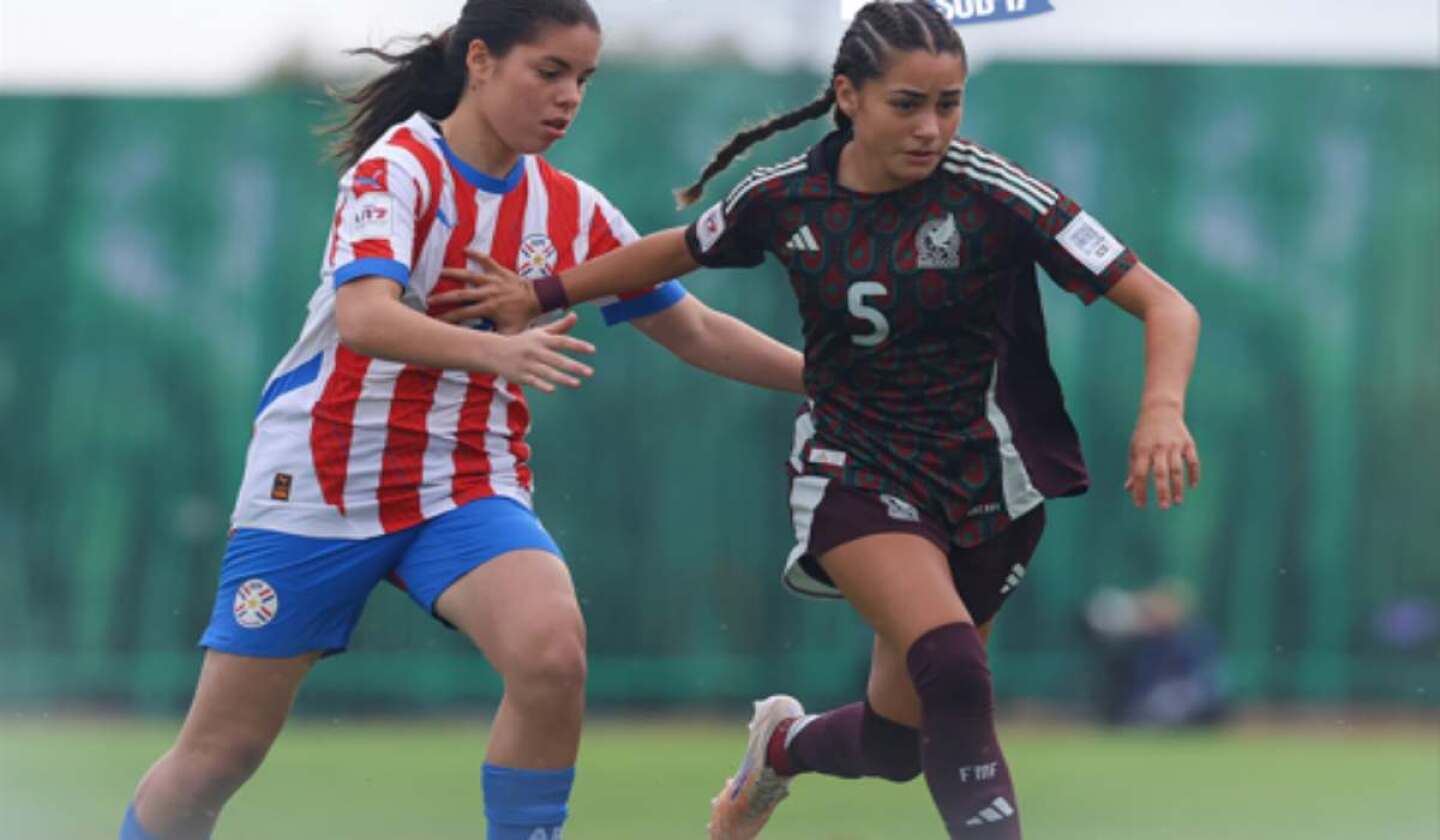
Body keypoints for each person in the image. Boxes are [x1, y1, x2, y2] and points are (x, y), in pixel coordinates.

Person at [433, 2, 1202, 837]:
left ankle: (782, 750)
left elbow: (1166, 305)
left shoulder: (995, 192)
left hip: (991, 486)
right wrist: (538, 294)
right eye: (907, 103)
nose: (931, 127)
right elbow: (677, 247)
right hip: (855, 469)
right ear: (849, 96)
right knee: (954, 665)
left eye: (950, 103)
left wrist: (1162, 409)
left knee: (902, 741)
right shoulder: (786, 196)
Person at [118, 2, 805, 839]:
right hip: (322, 480)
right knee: (219, 754)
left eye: (583, 80)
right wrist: (494, 355)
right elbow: (366, 316)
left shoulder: (573, 211)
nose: (568, 99)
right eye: (548, 72)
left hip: (463, 485)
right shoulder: (398, 169)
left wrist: (831, 383)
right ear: (479, 62)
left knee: (552, 653)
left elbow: (693, 329)